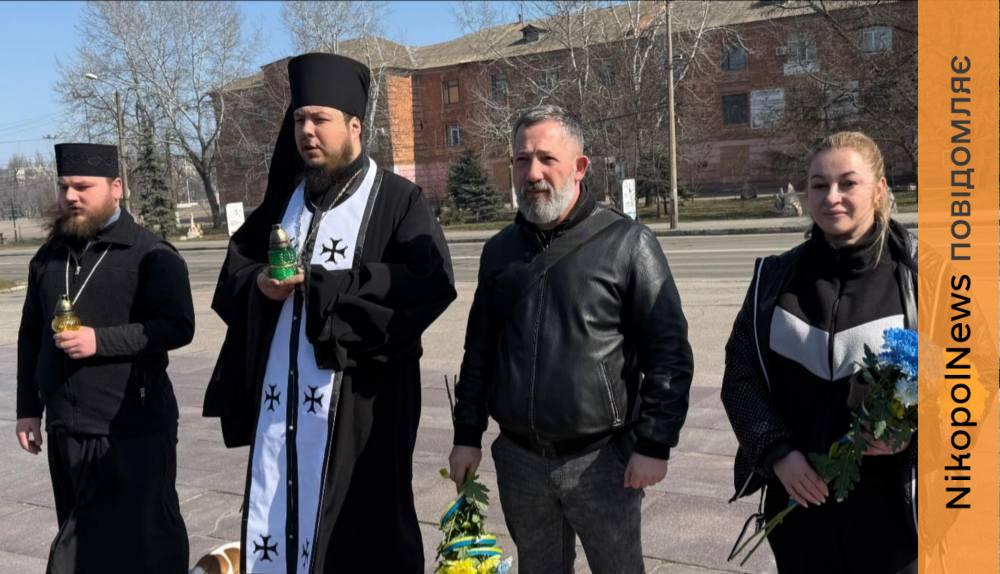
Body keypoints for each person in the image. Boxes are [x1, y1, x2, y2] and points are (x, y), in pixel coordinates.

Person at [203, 53, 456, 574]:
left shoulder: (398, 201)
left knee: (361, 538)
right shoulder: (286, 201)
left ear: (354, 125)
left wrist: (320, 287)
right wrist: (260, 285)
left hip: (361, 412)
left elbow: (428, 285)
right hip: (283, 410)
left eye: (320, 119)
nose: (307, 132)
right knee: (281, 518)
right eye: (300, 119)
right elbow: (237, 271)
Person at [448, 105, 694, 573]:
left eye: (547, 159)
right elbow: (479, 352)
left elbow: (669, 354)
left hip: (602, 463)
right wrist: (467, 435)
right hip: (520, 462)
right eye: (522, 160)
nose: (533, 174)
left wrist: (654, 443)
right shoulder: (499, 252)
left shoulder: (629, 244)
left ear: (579, 167)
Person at [721, 131, 917, 573]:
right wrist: (777, 452)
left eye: (848, 183)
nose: (832, 197)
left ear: (879, 189)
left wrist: (912, 438)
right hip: (799, 510)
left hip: (895, 519)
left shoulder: (924, 276)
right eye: (819, 184)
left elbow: (974, 378)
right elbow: (740, 377)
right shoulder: (775, 279)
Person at [16, 142, 194, 573]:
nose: (70, 196)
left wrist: (101, 341)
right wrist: (28, 410)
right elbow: (30, 336)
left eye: (83, 187)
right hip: (67, 430)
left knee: (145, 547)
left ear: (117, 188)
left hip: (133, 428)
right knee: (83, 548)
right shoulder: (48, 257)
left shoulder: (150, 253)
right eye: (64, 187)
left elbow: (178, 326)